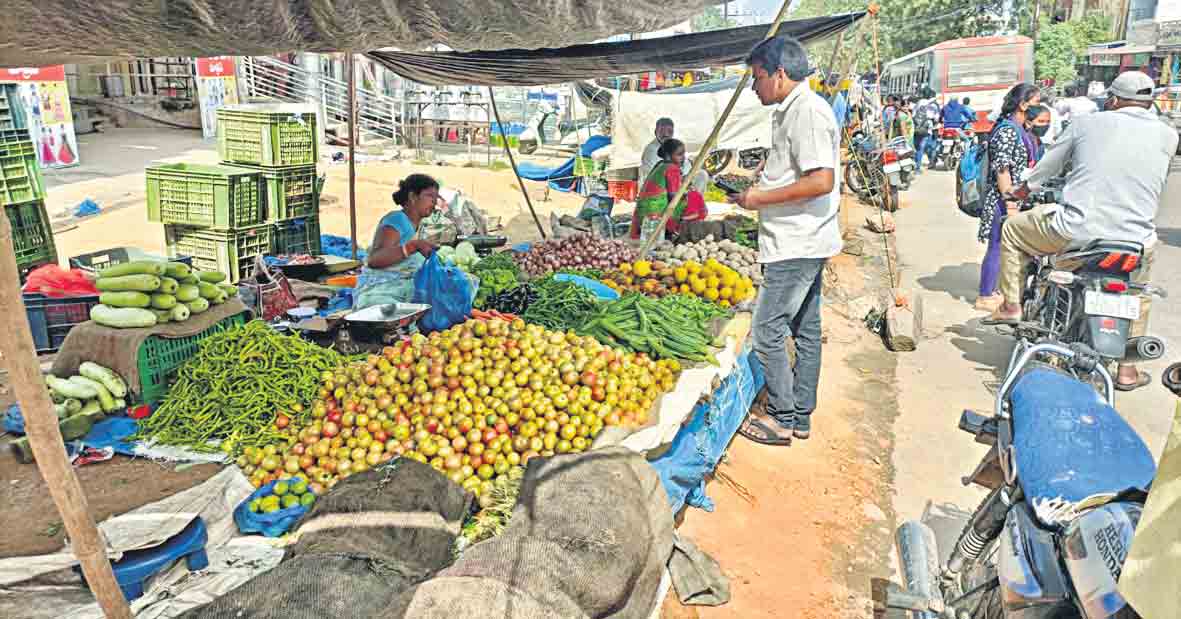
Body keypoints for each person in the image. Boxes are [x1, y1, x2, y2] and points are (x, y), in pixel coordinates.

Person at [989, 71, 1178, 390]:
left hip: (1076, 230)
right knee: (1136, 290)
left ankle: (1011, 304)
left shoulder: (1085, 124)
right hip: (1135, 240)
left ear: (1113, 100)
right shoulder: (1168, 134)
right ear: (1150, 102)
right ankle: (1127, 372)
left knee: (1011, 230)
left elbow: (1046, 169)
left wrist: (1021, 192)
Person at [728, 35, 841, 445]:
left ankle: (780, 417)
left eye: (757, 77)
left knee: (767, 330)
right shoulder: (793, 110)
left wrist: (758, 198)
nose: (754, 86)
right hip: (805, 239)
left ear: (779, 74)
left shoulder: (806, 112)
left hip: (797, 242)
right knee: (805, 330)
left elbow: (820, 180)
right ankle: (800, 415)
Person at [974, 84, 1044, 311]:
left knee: (1007, 247)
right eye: (1036, 103)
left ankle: (997, 290)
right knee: (997, 245)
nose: (1039, 108)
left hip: (1013, 198)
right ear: (1023, 105)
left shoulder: (1020, 129)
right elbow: (1002, 170)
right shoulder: (1006, 130)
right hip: (1002, 199)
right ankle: (985, 296)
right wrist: (1010, 204)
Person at [353, 174, 440, 310]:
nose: (434, 202)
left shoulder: (420, 225)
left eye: (436, 198)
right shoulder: (397, 220)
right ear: (412, 197)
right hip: (381, 290)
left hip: (404, 287)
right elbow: (375, 260)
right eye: (430, 196)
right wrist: (413, 246)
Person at [630, 138, 707, 239]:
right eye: (679, 154)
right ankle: (679, 225)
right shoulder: (672, 168)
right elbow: (673, 198)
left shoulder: (660, 164)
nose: (683, 158)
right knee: (695, 197)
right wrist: (687, 193)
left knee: (692, 195)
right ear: (667, 155)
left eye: (684, 154)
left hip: (642, 212)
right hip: (655, 214)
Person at [913, 93, 941, 173]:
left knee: (916, 148)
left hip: (916, 129)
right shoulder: (933, 105)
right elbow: (936, 118)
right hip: (926, 130)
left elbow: (913, 115)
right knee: (923, 148)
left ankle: (915, 166)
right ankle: (918, 167)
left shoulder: (917, 104)